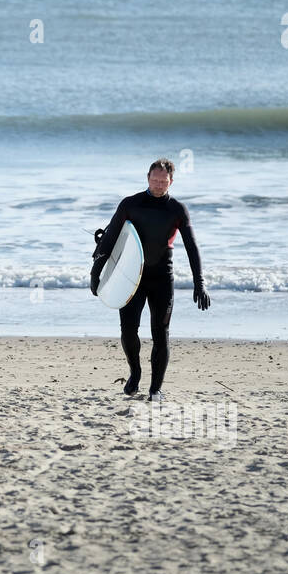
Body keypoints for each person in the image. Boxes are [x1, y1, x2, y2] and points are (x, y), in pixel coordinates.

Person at [91, 159, 210, 401]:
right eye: (154, 180)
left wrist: (200, 281)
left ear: (171, 182)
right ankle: (135, 372)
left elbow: (192, 246)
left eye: (163, 181)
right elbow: (111, 237)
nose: (158, 185)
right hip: (130, 276)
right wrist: (96, 273)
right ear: (147, 178)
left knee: (161, 333)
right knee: (128, 331)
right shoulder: (130, 204)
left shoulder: (177, 209)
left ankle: (156, 388)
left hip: (162, 278)